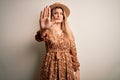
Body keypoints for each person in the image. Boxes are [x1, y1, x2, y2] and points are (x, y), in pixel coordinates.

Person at [35, 2, 80, 80]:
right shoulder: (47, 31)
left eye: (61, 13)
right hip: (50, 65)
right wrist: (43, 30)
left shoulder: (68, 33)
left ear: (64, 17)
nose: (59, 15)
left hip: (67, 67)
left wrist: (77, 70)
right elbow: (38, 38)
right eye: (56, 13)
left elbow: (73, 52)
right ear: (52, 16)